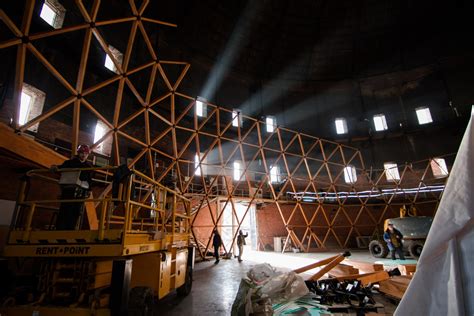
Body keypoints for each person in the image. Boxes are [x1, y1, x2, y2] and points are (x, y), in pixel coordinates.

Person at [52, 144, 93, 230]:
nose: (84, 155)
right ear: (78, 153)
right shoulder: (69, 163)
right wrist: (55, 167)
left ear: (88, 154)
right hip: (69, 190)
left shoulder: (88, 167)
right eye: (82, 153)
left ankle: (70, 230)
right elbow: (61, 168)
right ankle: (60, 230)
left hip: (80, 192)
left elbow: (89, 180)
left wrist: (89, 190)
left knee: (76, 211)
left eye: (85, 153)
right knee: (65, 210)